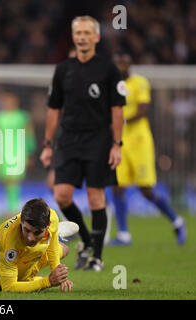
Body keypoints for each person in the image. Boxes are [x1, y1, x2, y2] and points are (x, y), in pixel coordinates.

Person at [39, 16, 126, 271]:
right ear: (73, 35)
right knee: (62, 195)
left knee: (95, 197)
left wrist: (117, 144)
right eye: (78, 32)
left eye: (88, 33)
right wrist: (47, 144)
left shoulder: (108, 69)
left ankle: (97, 258)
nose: (82, 37)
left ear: (97, 37)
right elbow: (54, 110)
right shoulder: (63, 69)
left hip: (98, 139)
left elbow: (117, 110)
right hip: (68, 139)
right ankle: (87, 240)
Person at [110, 51, 187, 246]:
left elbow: (143, 109)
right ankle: (124, 234)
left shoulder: (139, 82)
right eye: (117, 61)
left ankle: (177, 221)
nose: (121, 64)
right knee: (117, 186)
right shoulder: (110, 85)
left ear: (129, 63)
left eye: (124, 60)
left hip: (139, 142)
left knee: (146, 189)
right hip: (119, 142)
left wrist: (121, 120)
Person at [0, 198, 78, 292]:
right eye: (26, 230)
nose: (30, 238)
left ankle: (51, 236)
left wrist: (58, 272)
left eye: (37, 232)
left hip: (30, 256)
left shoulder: (52, 218)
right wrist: (48, 281)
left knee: (64, 249)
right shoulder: (9, 242)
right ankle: (31, 278)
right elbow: (9, 287)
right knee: (23, 280)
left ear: (48, 225)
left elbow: (53, 248)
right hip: (0, 281)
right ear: (21, 221)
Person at [0, 91, 36, 213]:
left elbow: (29, 132)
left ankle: (14, 207)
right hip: (3, 149)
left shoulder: (22, 116)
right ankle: (11, 205)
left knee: (15, 178)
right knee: (7, 179)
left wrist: (30, 151)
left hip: (18, 149)